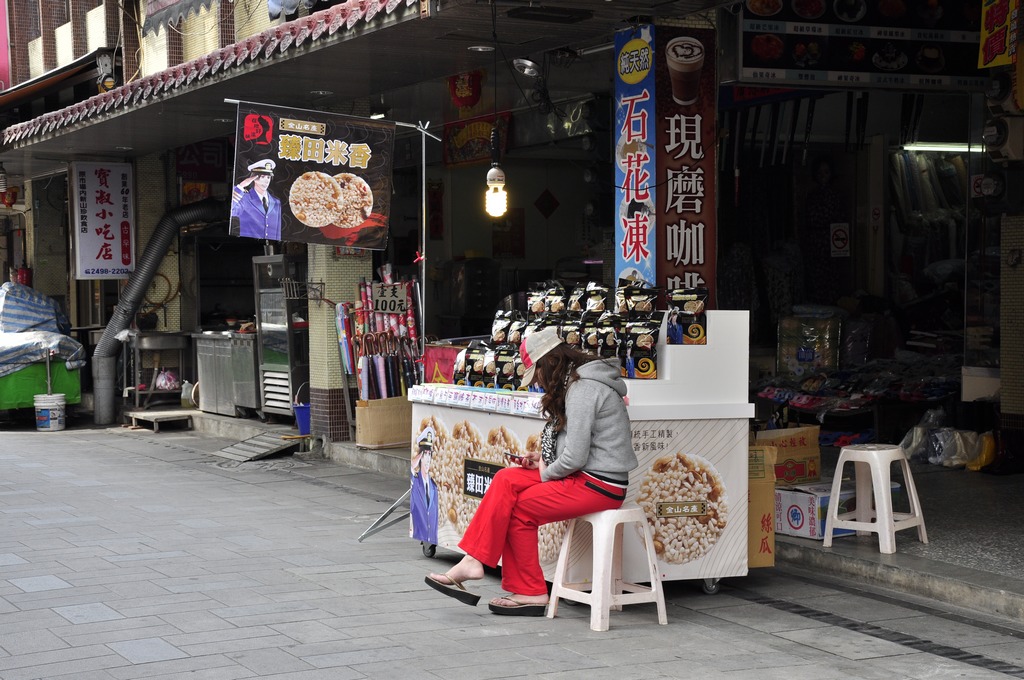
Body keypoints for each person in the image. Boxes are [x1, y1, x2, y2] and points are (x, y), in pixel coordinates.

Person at [425, 327, 638, 616]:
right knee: (505, 478)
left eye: (535, 372)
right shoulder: (579, 383)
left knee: (519, 510)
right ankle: (473, 560)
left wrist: (546, 470)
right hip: (588, 475)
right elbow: (579, 448)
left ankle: (531, 592)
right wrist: (542, 458)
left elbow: (575, 456)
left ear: (548, 362)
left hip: (599, 484)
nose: (537, 380)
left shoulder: (584, 389)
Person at [230, 159, 283, 240]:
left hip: (271, 246)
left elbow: (277, 232)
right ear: (254, 178)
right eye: (262, 177)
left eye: (268, 177)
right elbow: (231, 211)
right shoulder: (245, 198)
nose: (266, 181)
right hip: (250, 244)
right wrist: (240, 186)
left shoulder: (276, 202)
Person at [410, 427, 439, 545]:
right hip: (420, 533)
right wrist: (414, 462)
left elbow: (435, 519)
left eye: (429, 455)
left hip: (432, 537)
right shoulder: (415, 481)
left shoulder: (434, 487)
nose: (428, 459)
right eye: (424, 454)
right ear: (420, 457)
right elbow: (412, 469)